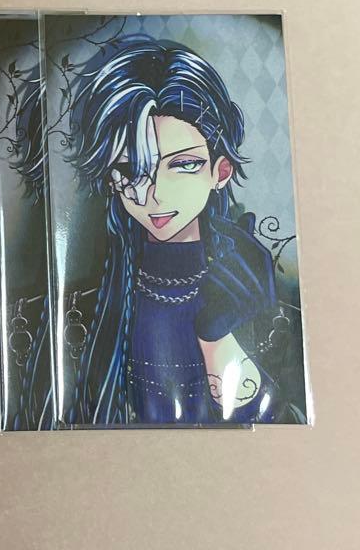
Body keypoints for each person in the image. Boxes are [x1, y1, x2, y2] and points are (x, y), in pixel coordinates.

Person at [63, 37, 283, 425]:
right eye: (131, 169)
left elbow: (274, 431)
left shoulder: (252, 287)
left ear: (220, 171)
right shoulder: (91, 302)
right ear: (111, 177)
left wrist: (217, 336)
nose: (156, 194)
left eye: (182, 165)